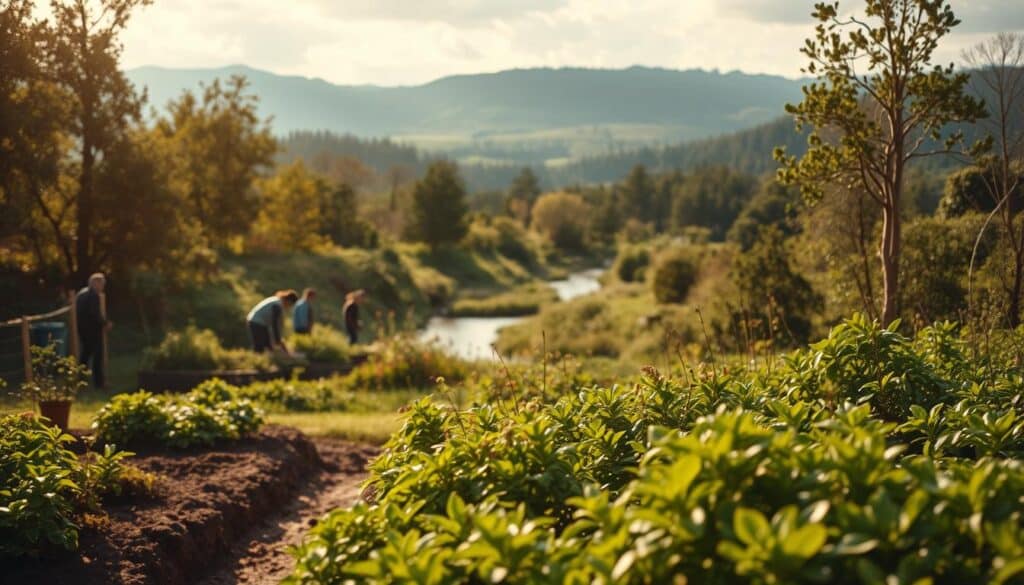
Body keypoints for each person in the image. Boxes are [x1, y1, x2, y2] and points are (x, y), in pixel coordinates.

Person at [75, 273, 111, 388]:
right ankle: (99, 383)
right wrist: (105, 323)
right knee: (97, 356)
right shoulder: (93, 295)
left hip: (82, 329)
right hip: (93, 330)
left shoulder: (81, 293)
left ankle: (81, 378)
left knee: (85, 354)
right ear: (96, 283)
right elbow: (95, 313)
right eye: (102, 284)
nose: (102, 287)